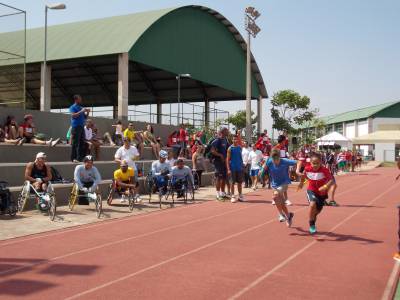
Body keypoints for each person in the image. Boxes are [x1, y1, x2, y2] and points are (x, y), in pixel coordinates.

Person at [298, 152, 333, 234]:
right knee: (312, 204)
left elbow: (331, 180)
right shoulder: (307, 169)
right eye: (313, 163)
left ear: (321, 162)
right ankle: (311, 225)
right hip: (311, 190)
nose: (315, 165)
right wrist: (301, 184)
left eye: (317, 163)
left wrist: (325, 187)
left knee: (316, 212)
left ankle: (312, 219)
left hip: (322, 194)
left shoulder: (324, 170)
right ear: (310, 163)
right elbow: (304, 176)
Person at [262, 149, 296, 226]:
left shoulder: (285, 161)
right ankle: (288, 216)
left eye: (277, 159)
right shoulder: (270, 161)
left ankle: (281, 214)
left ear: (279, 157)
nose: (275, 161)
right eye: (274, 159)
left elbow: (297, 162)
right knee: (280, 201)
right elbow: (264, 167)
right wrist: (261, 171)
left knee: (275, 196)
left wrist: (295, 169)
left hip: (284, 183)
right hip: (275, 184)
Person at [114, 137, 141, 202]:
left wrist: (135, 158)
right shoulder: (120, 149)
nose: (126, 143)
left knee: (135, 182)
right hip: (123, 169)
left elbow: (138, 156)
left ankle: (137, 196)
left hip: (133, 168)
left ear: (130, 142)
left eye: (128, 141)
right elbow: (116, 159)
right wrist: (121, 161)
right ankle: (123, 196)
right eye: (125, 141)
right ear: (123, 142)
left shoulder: (133, 148)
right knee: (123, 182)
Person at [210, 127, 230, 201]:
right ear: (223, 132)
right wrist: (220, 155)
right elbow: (212, 150)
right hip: (218, 162)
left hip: (224, 162)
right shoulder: (217, 140)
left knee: (224, 178)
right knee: (219, 177)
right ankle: (218, 194)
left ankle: (222, 193)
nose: (228, 132)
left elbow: (228, 150)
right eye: (227, 130)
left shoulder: (226, 140)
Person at [70, 95, 90, 162]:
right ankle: (73, 158)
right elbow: (73, 116)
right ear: (76, 100)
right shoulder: (72, 107)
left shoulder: (80, 107)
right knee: (75, 143)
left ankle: (80, 158)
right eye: (79, 99)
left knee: (82, 143)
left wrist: (87, 112)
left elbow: (85, 118)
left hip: (81, 127)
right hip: (76, 127)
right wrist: (81, 111)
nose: (81, 100)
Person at [227, 135, 244, 203]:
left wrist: (242, 165)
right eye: (234, 139)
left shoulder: (240, 148)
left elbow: (240, 157)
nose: (235, 140)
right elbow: (227, 160)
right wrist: (228, 169)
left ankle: (240, 195)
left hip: (239, 168)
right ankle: (233, 196)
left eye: (236, 139)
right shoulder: (230, 148)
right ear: (232, 140)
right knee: (232, 183)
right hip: (232, 168)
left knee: (239, 183)